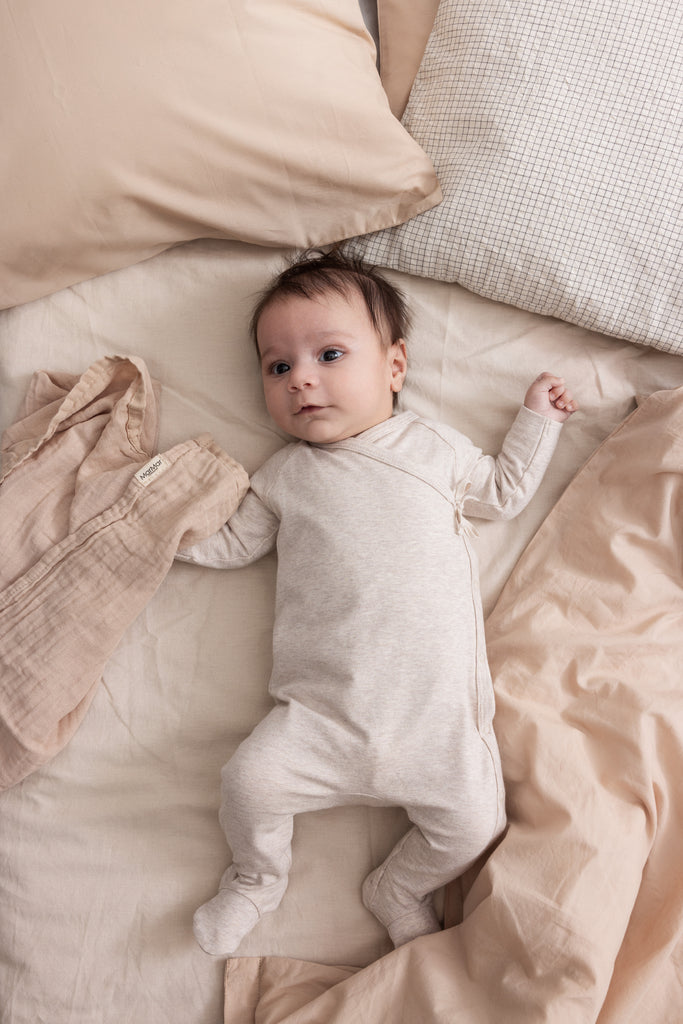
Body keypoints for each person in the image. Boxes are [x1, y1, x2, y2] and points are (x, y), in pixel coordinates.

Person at [177, 250, 577, 956]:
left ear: (394, 367)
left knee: (475, 824)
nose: (301, 378)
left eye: (329, 355)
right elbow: (230, 544)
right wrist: (155, 529)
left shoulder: (432, 449)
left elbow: (501, 493)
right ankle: (255, 879)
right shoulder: (282, 476)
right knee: (247, 783)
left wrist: (537, 418)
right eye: (278, 366)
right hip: (319, 719)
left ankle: (397, 887)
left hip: (435, 724)